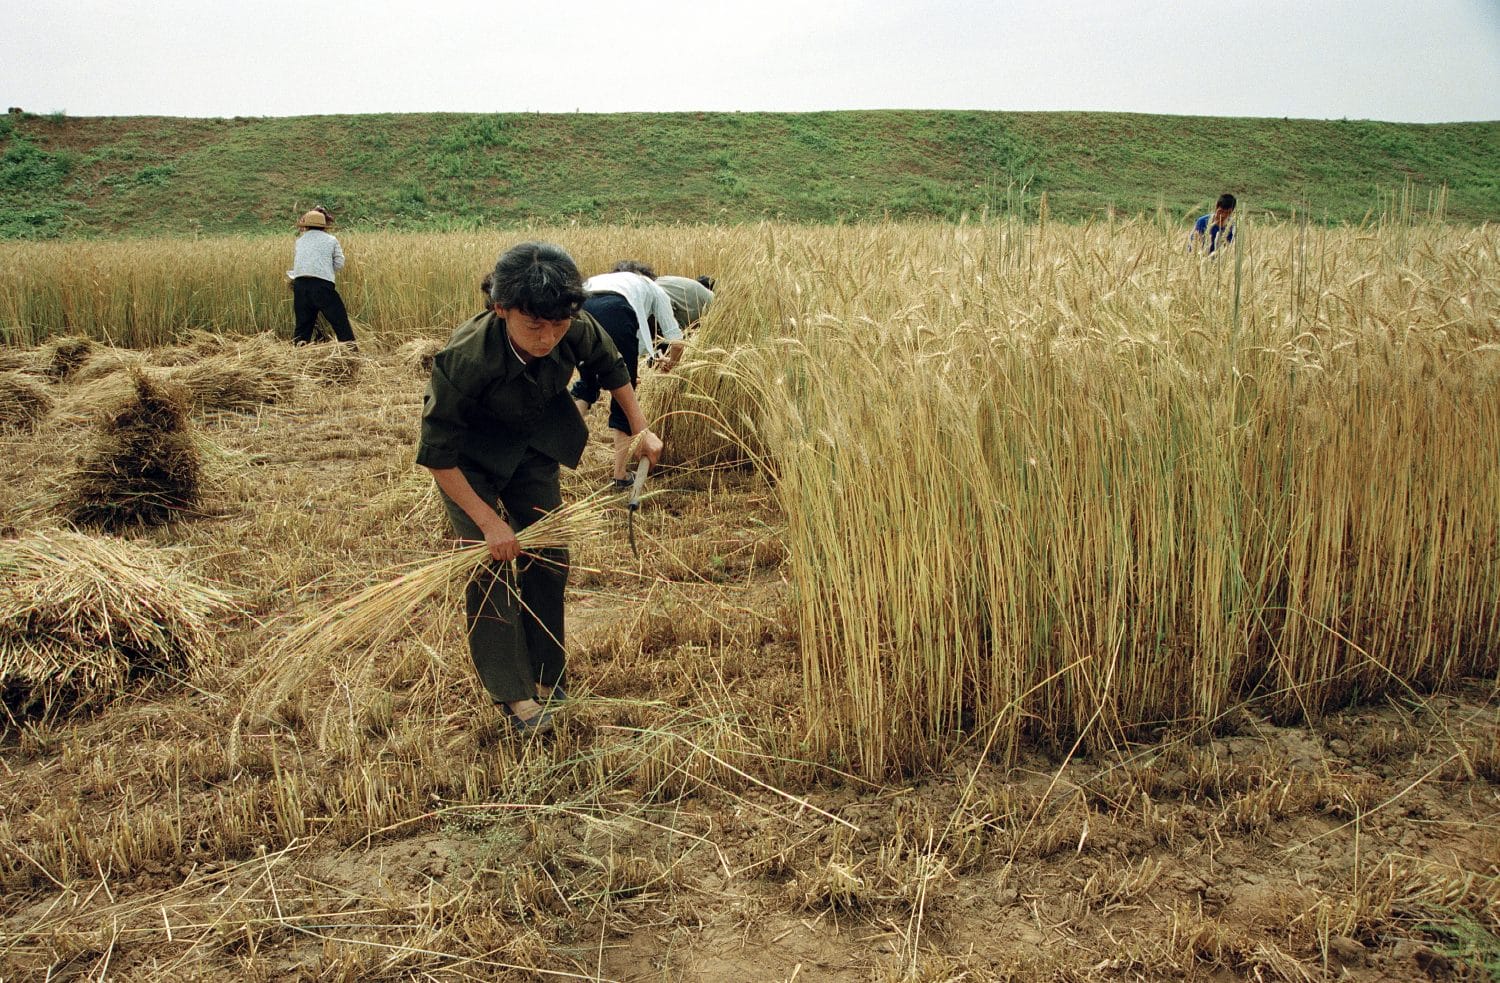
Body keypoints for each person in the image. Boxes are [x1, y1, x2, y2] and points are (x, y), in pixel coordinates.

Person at [417, 242, 662, 735]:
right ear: (500, 308)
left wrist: (639, 428)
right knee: (491, 569)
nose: (549, 337)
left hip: (532, 446)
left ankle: (549, 675)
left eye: (558, 325)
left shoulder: (570, 323)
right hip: (471, 464)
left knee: (550, 557)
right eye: (534, 326)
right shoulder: (465, 358)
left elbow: (611, 366)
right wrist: (489, 524)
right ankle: (513, 693)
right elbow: (437, 456)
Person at [569, 262, 684, 490]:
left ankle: (558, 452)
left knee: (587, 384)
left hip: (579, 310)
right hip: (616, 311)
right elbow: (677, 340)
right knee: (624, 394)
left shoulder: (603, 278)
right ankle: (620, 476)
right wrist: (671, 363)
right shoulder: (652, 287)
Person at [288, 207, 357, 345]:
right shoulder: (331, 240)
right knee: (340, 321)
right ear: (323, 226)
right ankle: (351, 353)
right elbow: (339, 263)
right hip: (322, 286)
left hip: (300, 285)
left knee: (303, 326)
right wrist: (325, 269)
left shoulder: (300, 241)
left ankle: (297, 357)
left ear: (306, 225)